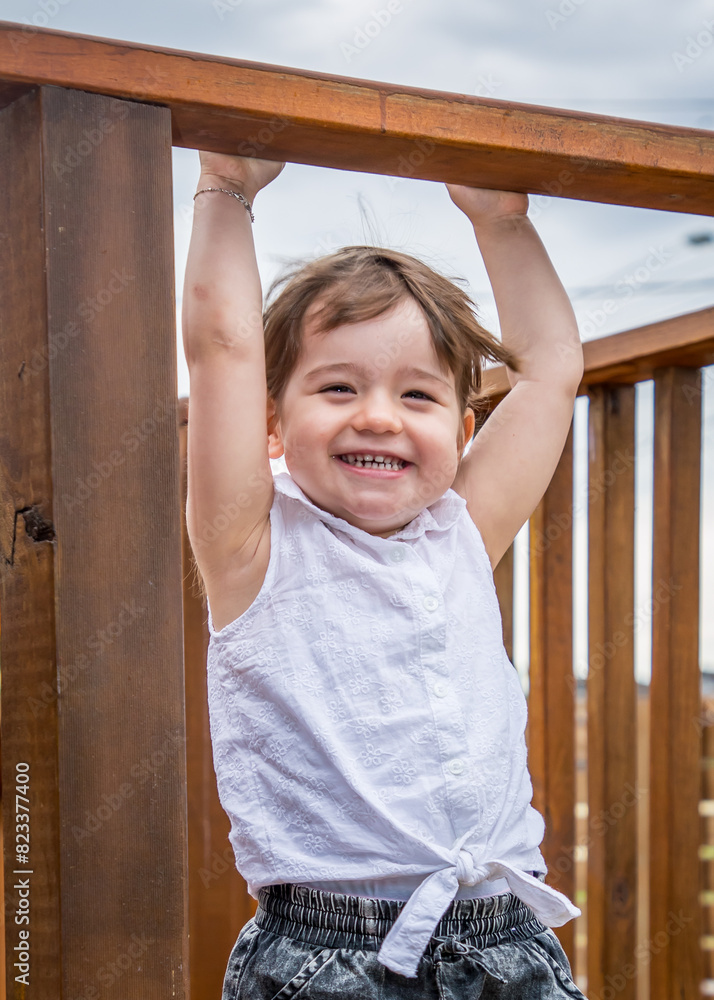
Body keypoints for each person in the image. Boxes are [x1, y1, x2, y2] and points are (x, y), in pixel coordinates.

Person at [183, 149, 587, 999]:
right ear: (271, 421)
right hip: (331, 954)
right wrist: (226, 189)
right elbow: (222, 347)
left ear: (464, 431)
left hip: (507, 940)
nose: (378, 416)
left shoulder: (461, 531)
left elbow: (551, 372)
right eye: (337, 388)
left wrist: (502, 222)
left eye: (418, 396)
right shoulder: (252, 545)